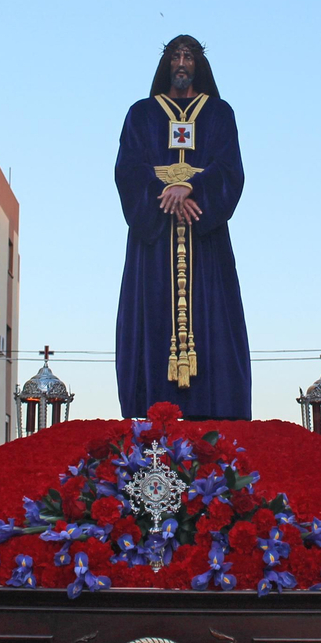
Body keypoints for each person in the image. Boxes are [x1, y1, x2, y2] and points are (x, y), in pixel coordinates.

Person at [115, 36, 250, 419]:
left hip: (204, 237)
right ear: (165, 64)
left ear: (199, 64)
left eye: (189, 56)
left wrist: (192, 189)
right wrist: (165, 195)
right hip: (155, 240)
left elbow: (230, 169)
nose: (181, 62)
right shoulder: (141, 114)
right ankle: (152, 413)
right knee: (151, 318)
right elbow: (127, 168)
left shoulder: (219, 114)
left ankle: (215, 415)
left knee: (214, 321)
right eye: (175, 55)